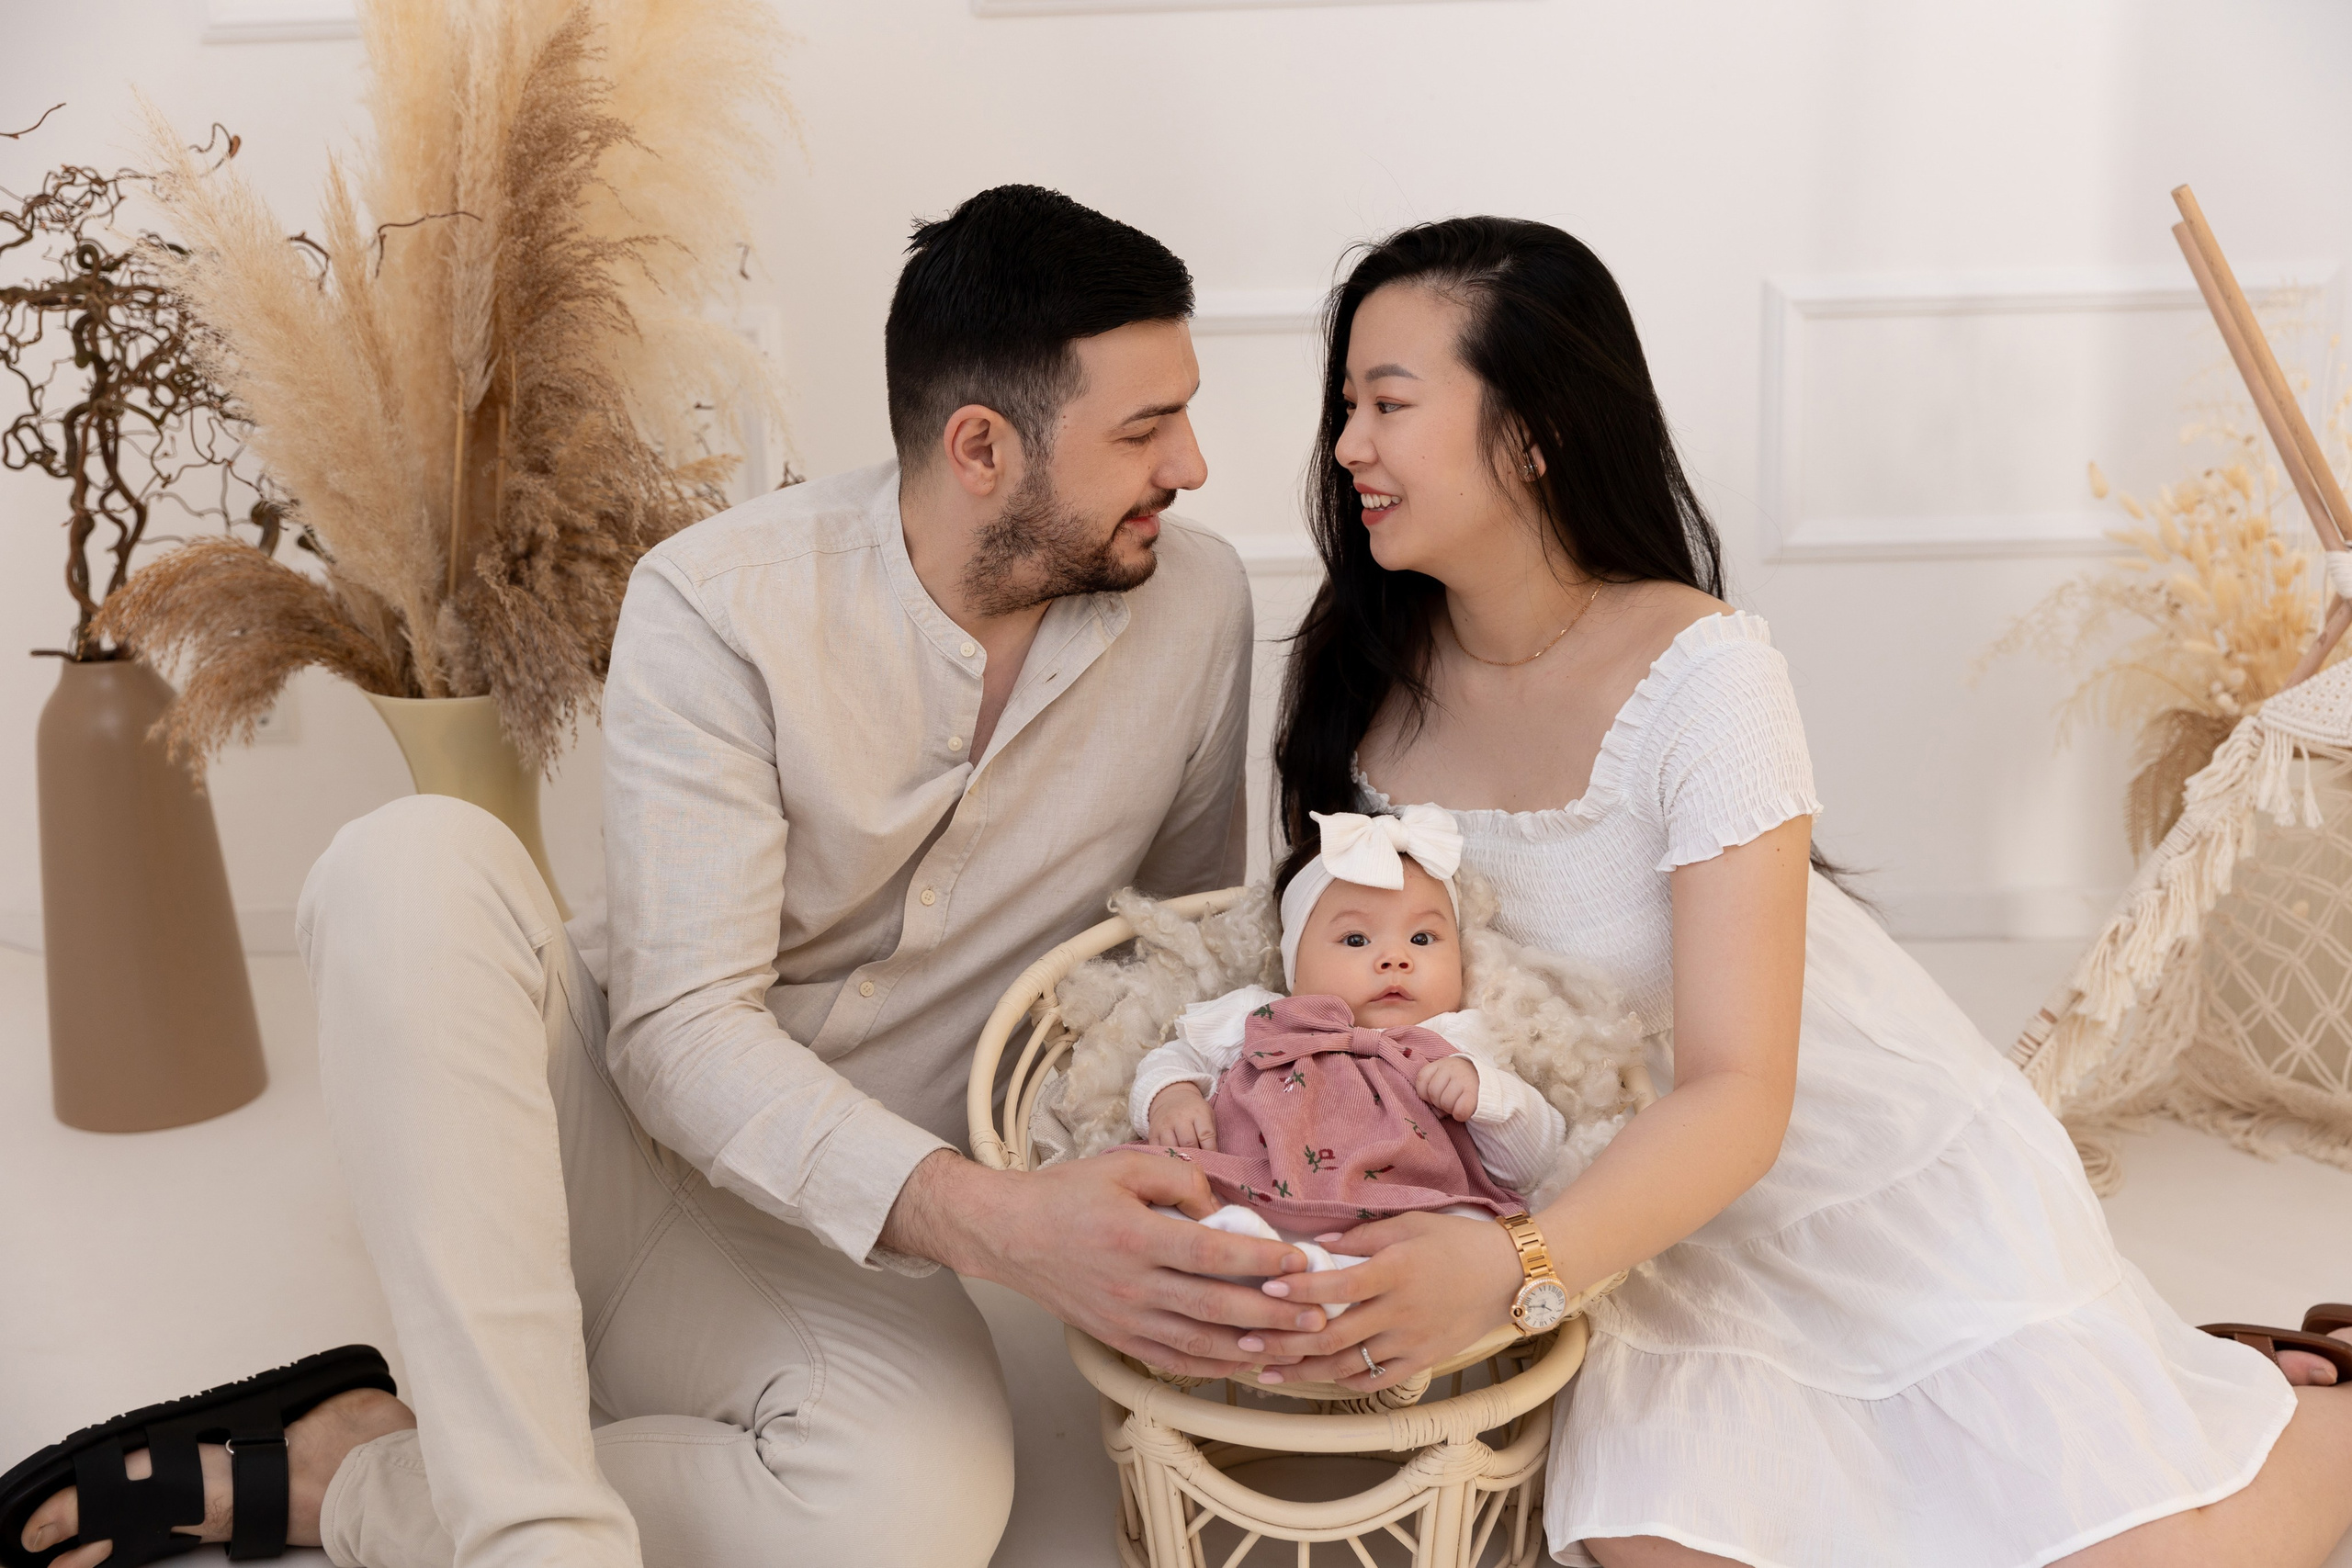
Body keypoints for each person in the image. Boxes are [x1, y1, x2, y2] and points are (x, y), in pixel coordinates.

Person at [8, 186, 1334, 1568]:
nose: (1188, 462)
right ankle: (534, 1543)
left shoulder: (1195, 608)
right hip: (598, 1143)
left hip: (838, 1229)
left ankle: (354, 1476)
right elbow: (679, 1029)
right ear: (984, 447)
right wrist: (1002, 1222)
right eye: (1143, 427)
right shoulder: (721, 600)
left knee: (913, 1506)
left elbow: (1161, 965)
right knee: (410, 861)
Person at [1236, 217, 2352, 1567]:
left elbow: (1740, 1093)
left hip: (1821, 1147)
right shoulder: (1356, 680)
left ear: (1531, 432)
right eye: (1345, 405)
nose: (1347, 443)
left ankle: (2315, 1415)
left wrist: (1515, 1271)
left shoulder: (1704, 673)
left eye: (1390, 404)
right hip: (1620, 1204)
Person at [1131, 804, 1566, 1235]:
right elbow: (1174, 1057)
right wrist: (1172, 1096)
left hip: (1410, 1219)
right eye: (1356, 939)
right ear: (1294, 969)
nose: (1396, 958)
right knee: (1158, 1201)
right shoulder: (1261, 1016)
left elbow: (1533, 1164)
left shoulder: (1461, 1040)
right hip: (1243, 1195)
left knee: (1477, 1232)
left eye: (1422, 938)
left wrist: (1486, 1096)